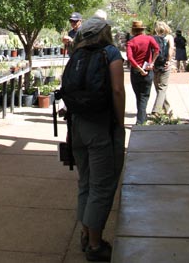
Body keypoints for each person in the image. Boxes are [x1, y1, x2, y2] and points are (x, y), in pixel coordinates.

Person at [68, 16, 125, 262]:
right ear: (105, 32)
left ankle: (85, 233)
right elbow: (117, 90)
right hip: (101, 126)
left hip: (77, 125)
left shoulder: (76, 54)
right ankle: (94, 244)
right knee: (102, 186)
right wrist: (119, 122)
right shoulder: (110, 53)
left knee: (86, 183)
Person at [126, 20, 160, 125]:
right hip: (147, 70)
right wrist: (152, 62)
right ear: (142, 30)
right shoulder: (149, 38)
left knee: (139, 96)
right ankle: (141, 121)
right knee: (144, 96)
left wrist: (138, 68)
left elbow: (130, 57)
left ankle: (142, 118)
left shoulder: (131, 42)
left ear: (133, 30)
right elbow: (157, 49)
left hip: (136, 72)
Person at [151, 21, 174, 115]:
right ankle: (156, 110)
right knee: (162, 87)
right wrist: (168, 60)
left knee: (158, 86)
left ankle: (166, 108)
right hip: (164, 63)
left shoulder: (153, 38)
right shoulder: (169, 37)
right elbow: (171, 48)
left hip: (155, 64)